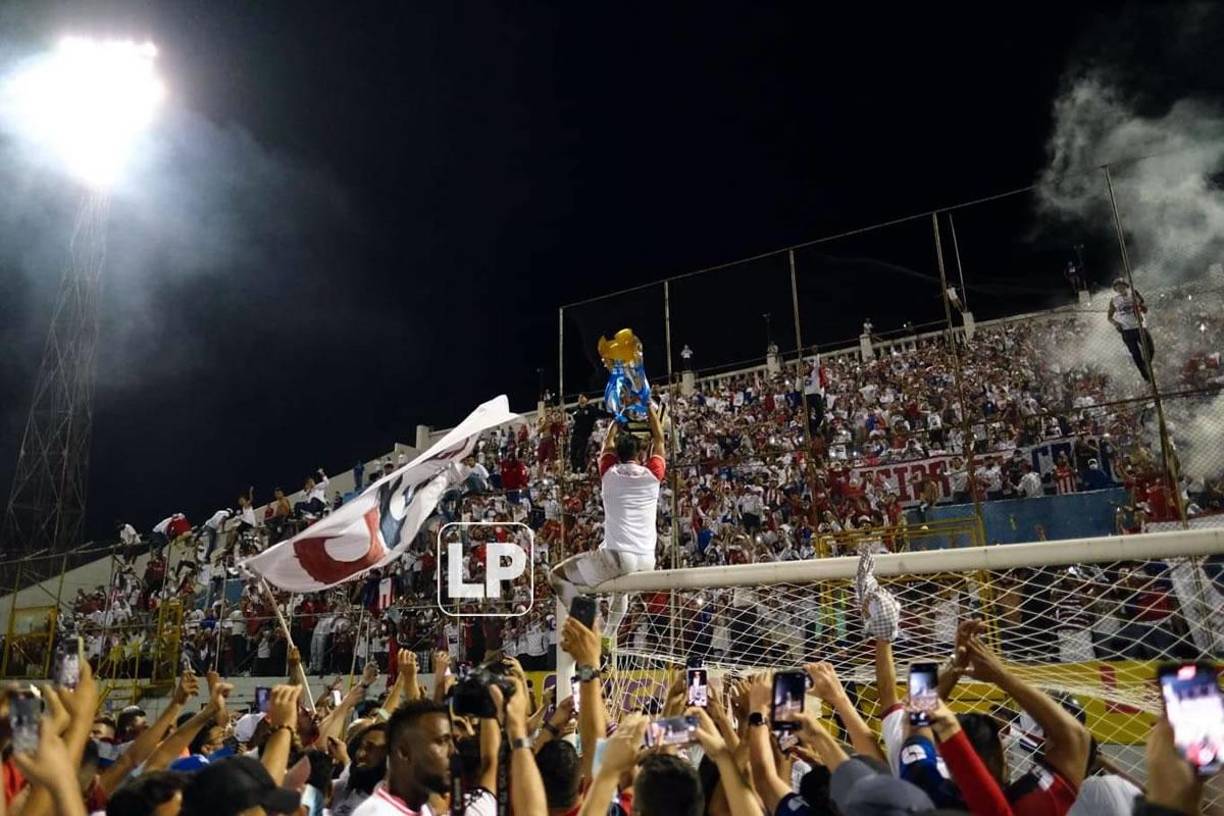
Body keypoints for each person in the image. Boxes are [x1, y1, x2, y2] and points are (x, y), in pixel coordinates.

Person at [550, 400, 666, 656]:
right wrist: (649, 408)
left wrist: (618, 418)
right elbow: (659, 438)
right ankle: (609, 637)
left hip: (618, 556)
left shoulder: (608, 473)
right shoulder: (653, 475)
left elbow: (607, 443)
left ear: (619, 454)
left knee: (556, 577)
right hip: (648, 560)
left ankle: (590, 627)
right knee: (620, 591)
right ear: (641, 453)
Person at [1107, 278, 1155, 382]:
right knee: (1135, 353)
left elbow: (1144, 308)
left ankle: (1145, 365)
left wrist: (1140, 306)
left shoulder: (1134, 293)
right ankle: (1146, 376)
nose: (1120, 288)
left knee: (1150, 349)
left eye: (1122, 285)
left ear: (1126, 285)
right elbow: (1109, 317)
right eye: (1117, 286)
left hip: (1140, 326)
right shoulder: (1114, 300)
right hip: (1127, 330)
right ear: (1115, 289)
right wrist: (1116, 323)